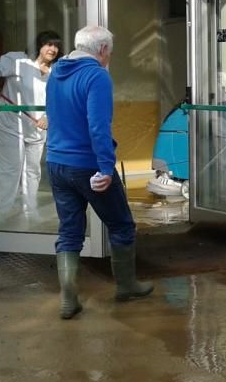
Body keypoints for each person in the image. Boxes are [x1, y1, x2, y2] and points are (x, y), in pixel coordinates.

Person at [46, 25, 152, 320]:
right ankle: (126, 286)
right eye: (111, 52)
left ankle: (69, 299)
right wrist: (105, 167)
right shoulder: (97, 76)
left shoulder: (55, 73)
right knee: (121, 225)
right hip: (88, 165)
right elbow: (98, 126)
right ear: (103, 50)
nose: (110, 57)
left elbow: (55, 115)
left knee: (69, 231)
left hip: (56, 162)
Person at [0, 30, 61, 220]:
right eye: (48, 44)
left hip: (38, 128)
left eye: (56, 45)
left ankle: (30, 212)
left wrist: (49, 116)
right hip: (9, 123)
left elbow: (60, 98)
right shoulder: (17, 60)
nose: (52, 49)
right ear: (39, 45)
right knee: (11, 170)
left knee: (33, 170)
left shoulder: (57, 71)